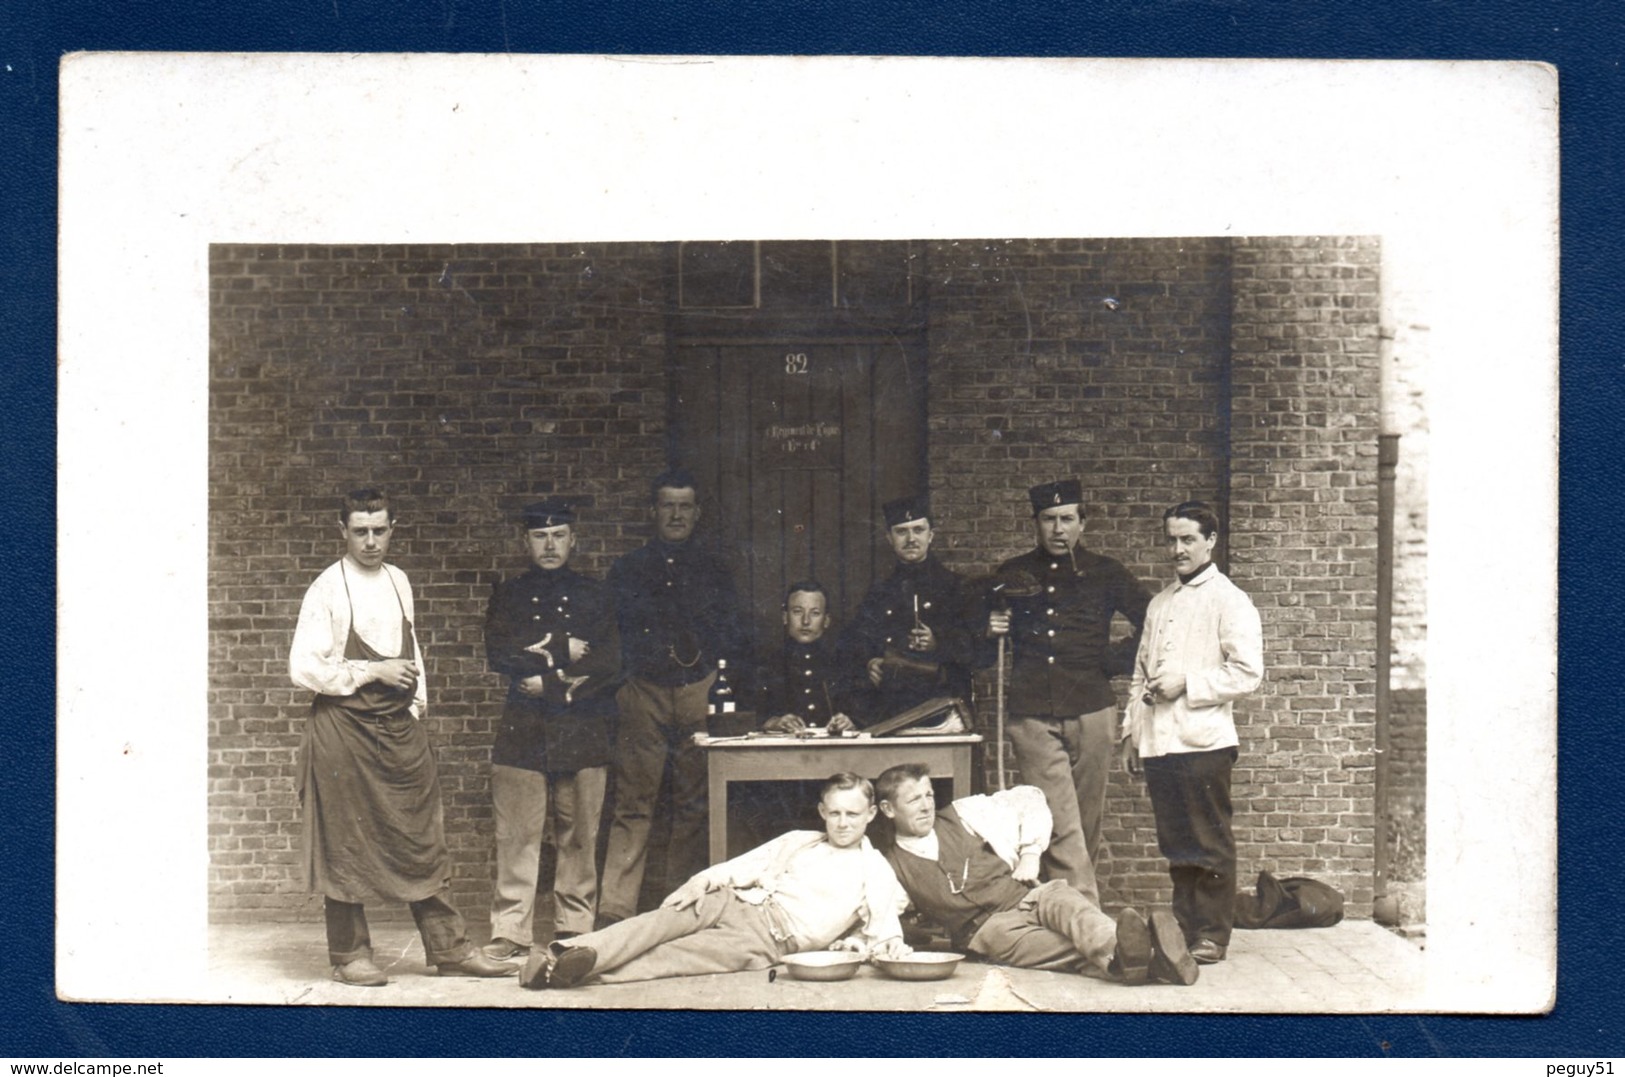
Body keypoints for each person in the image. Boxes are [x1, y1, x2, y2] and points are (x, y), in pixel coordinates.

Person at [289, 488, 513, 986]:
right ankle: (350, 956)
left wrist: (415, 707)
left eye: (380, 530)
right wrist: (373, 672)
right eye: (360, 531)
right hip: (342, 732)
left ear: (393, 528)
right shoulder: (327, 588)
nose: (371, 542)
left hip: (396, 728)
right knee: (344, 843)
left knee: (421, 839)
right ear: (342, 530)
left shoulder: (399, 581)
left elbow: (411, 654)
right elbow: (303, 668)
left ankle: (450, 948)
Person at [519, 773, 910, 988]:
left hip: (765, 939)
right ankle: (566, 952)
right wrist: (700, 883)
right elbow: (741, 866)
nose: (843, 823)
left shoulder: (875, 869)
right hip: (736, 901)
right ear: (822, 811)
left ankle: (561, 974)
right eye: (835, 813)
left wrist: (875, 942)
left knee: (670, 959)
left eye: (853, 815)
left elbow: (883, 924)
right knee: (656, 923)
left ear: (872, 814)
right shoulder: (799, 840)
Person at [873, 763, 1196, 986]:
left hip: (1029, 895)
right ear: (889, 810)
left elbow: (1029, 797)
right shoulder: (889, 865)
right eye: (914, 799)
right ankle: (1151, 957)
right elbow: (881, 914)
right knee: (1070, 949)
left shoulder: (963, 814)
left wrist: (1029, 852)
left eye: (929, 795)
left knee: (1073, 908)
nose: (927, 805)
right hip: (989, 931)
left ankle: (1137, 955)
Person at [983, 479, 1151, 897]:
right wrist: (988, 627)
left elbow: (1154, 623)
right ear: (1035, 524)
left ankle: (1064, 906)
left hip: (1093, 707)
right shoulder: (1012, 573)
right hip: (1033, 711)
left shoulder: (1107, 573)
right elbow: (976, 635)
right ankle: (1087, 915)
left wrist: (1110, 662)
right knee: (1057, 816)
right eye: (1049, 520)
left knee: (1084, 817)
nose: (1058, 529)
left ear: (1082, 523)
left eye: (1067, 519)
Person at [601, 468, 750, 925]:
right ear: (654, 511)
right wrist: (626, 682)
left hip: (697, 690)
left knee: (695, 801)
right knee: (634, 801)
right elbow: (611, 631)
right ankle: (615, 910)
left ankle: (678, 906)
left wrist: (716, 682)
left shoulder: (715, 569)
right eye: (668, 505)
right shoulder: (629, 568)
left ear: (697, 512)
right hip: (642, 691)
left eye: (685, 506)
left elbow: (732, 631)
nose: (677, 514)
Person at [1120, 501, 1264, 965]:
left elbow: (1247, 673)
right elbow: (1140, 675)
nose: (1177, 549)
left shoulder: (1230, 600)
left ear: (1210, 542)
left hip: (1204, 742)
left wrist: (1189, 683)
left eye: (1187, 539)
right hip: (1161, 743)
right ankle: (1183, 926)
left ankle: (1213, 935)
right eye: (1171, 539)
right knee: (1176, 842)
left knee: (1209, 840)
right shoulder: (1160, 603)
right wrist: (1131, 735)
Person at [480, 498, 623, 962]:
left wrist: (550, 681)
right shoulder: (510, 594)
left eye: (558, 535)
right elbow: (500, 653)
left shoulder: (596, 595)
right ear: (526, 542)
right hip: (523, 730)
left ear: (573, 540)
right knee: (517, 833)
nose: (549, 544)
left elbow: (609, 662)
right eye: (540, 536)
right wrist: (564, 647)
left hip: (582, 728)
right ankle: (511, 929)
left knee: (578, 833)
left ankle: (574, 927)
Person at [835, 494, 977, 724]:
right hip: (892, 712)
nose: (911, 539)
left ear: (931, 535)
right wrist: (870, 663)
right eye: (902, 532)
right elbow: (855, 645)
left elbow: (978, 652)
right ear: (889, 538)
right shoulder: (878, 594)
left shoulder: (958, 588)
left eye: (918, 530)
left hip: (944, 711)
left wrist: (938, 642)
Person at [758, 580, 860, 735]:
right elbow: (746, 712)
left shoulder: (843, 664)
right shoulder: (767, 664)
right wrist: (773, 722)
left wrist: (849, 722)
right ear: (785, 617)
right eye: (798, 612)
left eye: (815, 613)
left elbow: (866, 712)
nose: (806, 621)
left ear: (826, 621)